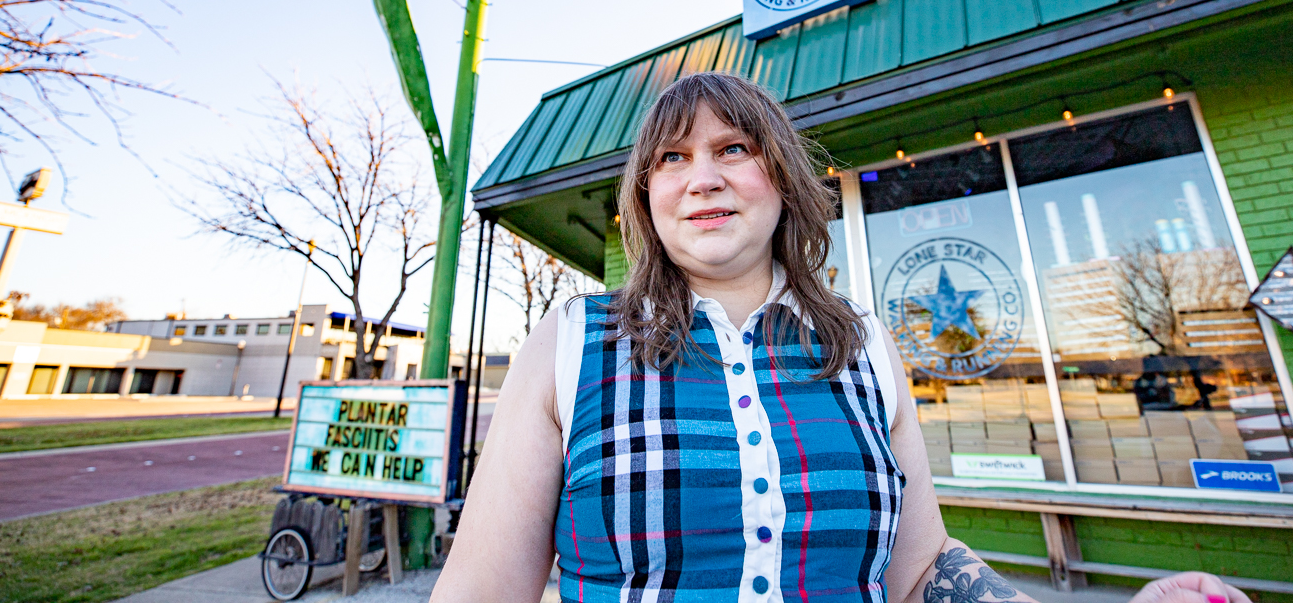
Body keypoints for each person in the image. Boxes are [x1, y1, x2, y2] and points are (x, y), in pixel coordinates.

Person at [433, 72, 1251, 603]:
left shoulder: (862, 346)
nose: (703, 176)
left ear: (780, 178)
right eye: (671, 159)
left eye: (733, 149)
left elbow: (923, 568)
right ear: (646, 198)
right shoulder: (573, 344)